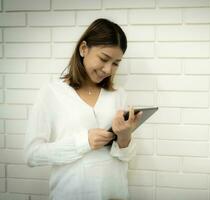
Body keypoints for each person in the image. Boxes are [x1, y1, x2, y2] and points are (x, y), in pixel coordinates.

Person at [24, 18, 142, 200]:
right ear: (83, 49)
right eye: (104, 59)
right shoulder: (52, 92)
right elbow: (32, 155)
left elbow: (126, 157)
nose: (108, 69)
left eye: (116, 63)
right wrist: (83, 142)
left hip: (115, 194)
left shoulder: (119, 94)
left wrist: (125, 136)